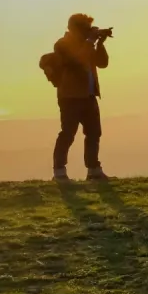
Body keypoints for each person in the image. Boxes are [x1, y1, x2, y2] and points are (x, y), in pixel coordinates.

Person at [49, 12, 111, 182]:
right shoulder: (62, 45)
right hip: (70, 97)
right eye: (85, 28)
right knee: (68, 133)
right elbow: (78, 61)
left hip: (89, 95)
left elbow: (102, 63)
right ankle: (59, 171)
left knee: (94, 133)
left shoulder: (87, 44)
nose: (88, 31)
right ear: (73, 28)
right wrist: (90, 41)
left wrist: (100, 44)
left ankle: (93, 170)